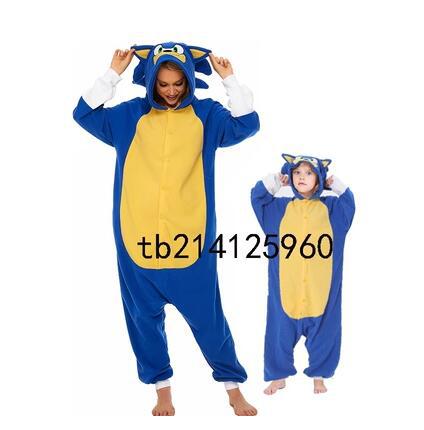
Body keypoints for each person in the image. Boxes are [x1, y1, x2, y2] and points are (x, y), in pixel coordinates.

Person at [73, 42, 260, 416]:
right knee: (143, 322)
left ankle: (232, 387)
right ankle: (162, 390)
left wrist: (229, 79)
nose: (171, 91)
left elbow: (246, 124)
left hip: (189, 240)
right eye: (163, 84)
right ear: (151, 82)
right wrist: (113, 73)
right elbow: (84, 113)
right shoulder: (129, 116)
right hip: (136, 237)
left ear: (189, 80)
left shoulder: (206, 115)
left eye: (178, 83)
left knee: (209, 321)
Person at [251, 153, 355, 394]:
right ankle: (278, 376)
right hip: (287, 288)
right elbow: (257, 198)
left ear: (319, 178)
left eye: (309, 173)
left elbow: (349, 203)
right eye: (297, 172)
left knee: (325, 332)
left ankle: (319, 375)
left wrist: (335, 185)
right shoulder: (279, 209)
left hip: (321, 289)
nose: (302, 177)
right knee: (278, 332)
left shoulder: (332, 210)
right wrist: (275, 181)